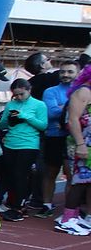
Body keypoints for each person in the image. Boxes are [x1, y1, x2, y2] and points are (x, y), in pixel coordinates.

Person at [0, 78, 48, 222]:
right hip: (11, 143)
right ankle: (13, 203)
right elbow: (2, 124)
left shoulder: (39, 105)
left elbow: (43, 125)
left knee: (21, 175)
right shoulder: (11, 104)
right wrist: (8, 118)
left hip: (29, 144)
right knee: (10, 175)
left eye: (21, 94)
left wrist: (25, 116)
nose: (18, 97)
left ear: (29, 90)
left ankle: (19, 206)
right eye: (15, 95)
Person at [40, 59, 80, 217]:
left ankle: (69, 210)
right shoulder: (50, 91)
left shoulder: (82, 91)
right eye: (62, 71)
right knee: (51, 172)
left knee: (71, 175)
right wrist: (71, 107)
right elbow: (51, 113)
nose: (65, 75)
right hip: (54, 137)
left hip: (73, 138)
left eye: (70, 72)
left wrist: (63, 108)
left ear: (78, 73)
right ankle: (46, 205)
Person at [55, 66, 91, 235]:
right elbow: (73, 120)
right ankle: (68, 218)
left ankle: (82, 217)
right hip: (83, 143)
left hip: (86, 142)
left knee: (87, 182)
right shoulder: (83, 92)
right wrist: (80, 144)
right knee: (79, 181)